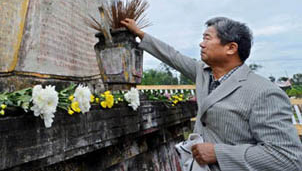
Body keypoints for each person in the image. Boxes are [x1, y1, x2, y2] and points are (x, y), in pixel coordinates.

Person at [121, 16, 302, 171]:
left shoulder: (264, 92)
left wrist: (218, 153)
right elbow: (173, 56)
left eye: (207, 38)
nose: (201, 43)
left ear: (231, 48)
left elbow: (287, 157)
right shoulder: (203, 72)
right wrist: (139, 33)